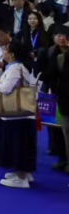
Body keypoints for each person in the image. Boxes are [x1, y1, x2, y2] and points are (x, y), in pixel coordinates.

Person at [0, 41, 38, 188]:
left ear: (12, 54)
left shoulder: (14, 68)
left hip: (16, 114)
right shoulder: (22, 66)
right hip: (24, 115)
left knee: (17, 145)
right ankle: (25, 173)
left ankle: (21, 177)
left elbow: (6, 89)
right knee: (23, 144)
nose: (3, 53)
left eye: (5, 50)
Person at [36, 26, 69, 172]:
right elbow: (43, 73)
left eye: (64, 35)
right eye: (58, 35)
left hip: (63, 96)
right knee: (57, 128)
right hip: (54, 95)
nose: (62, 38)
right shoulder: (49, 53)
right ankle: (61, 157)